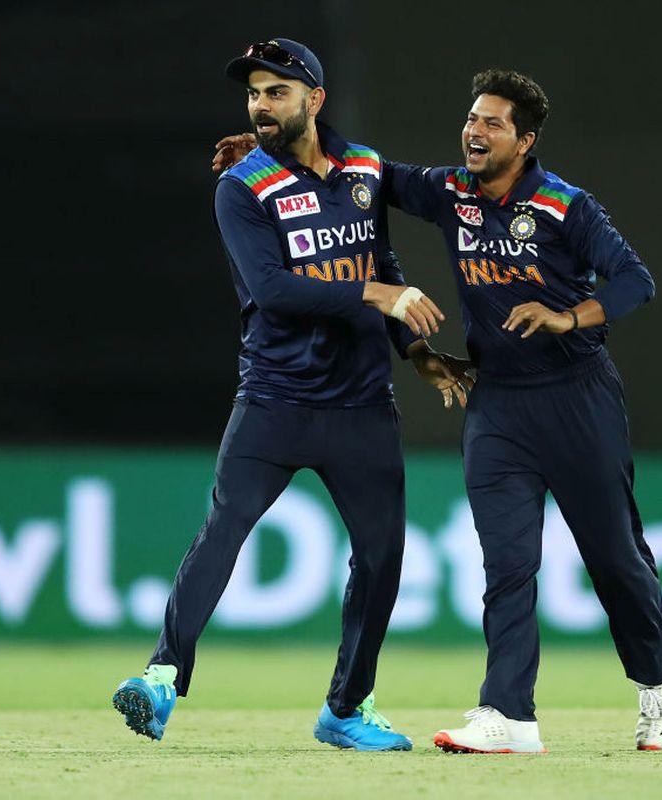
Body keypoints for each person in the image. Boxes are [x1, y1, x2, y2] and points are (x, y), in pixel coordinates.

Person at [214, 68, 662, 754]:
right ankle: (508, 716)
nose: (475, 131)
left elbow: (636, 280)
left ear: (524, 141)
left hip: (577, 398)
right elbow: (359, 171)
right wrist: (265, 153)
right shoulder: (449, 191)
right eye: (472, 118)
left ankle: (657, 679)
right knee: (507, 565)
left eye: (493, 123)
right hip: (496, 406)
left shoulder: (564, 205)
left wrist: (566, 316)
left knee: (613, 559)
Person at [113, 38, 466, 752]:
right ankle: (161, 673)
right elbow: (274, 292)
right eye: (254, 93)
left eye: (277, 91)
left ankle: (345, 708)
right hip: (274, 399)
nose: (261, 104)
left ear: (315, 99)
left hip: (362, 405)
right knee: (224, 530)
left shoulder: (365, 169)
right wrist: (380, 294)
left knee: (384, 557)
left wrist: (418, 352)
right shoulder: (240, 186)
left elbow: (381, 258)